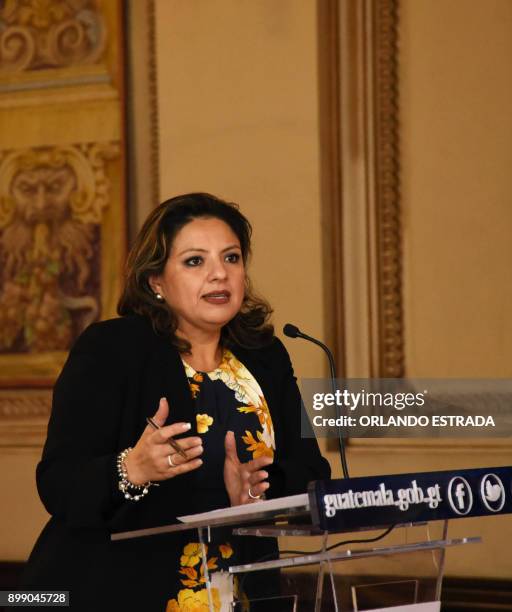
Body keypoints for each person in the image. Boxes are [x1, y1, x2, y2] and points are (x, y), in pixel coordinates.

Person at [22, 193, 331, 610]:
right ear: (156, 282)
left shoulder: (265, 355)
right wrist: (133, 468)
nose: (219, 274)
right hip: (114, 591)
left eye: (232, 258)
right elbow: (58, 483)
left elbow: (313, 471)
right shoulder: (112, 350)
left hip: (241, 593)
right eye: (194, 261)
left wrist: (260, 492)